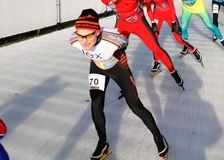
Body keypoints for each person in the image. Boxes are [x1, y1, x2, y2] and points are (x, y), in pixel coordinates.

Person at [70, 9, 169, 159]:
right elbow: (83, 39)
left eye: (87, 35)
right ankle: (102, 142)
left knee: (135, 106)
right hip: (97, 67)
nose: (83, 41)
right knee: (96, 105)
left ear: (97, 32)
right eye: (79, 35)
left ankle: (159, 138)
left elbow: (124, 42)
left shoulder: (113, 39)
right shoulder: (74, 40)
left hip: (118, 68)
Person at [100, 0, 183, 88]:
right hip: (123, 23)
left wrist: (152, 19)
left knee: (156, 48)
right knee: (117, 51)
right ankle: (128, 81)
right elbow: (116, 6)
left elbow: (146, 0)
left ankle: (174, 73)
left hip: (138, 22)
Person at [144, 0, 203, 71]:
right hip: (157, 14)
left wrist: (173, 21)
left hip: (168, 13)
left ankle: (193, 49)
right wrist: (152, 21)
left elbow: (172, 6)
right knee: (154, 39)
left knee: (178, 39)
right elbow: (148, 8)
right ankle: (156, 62)